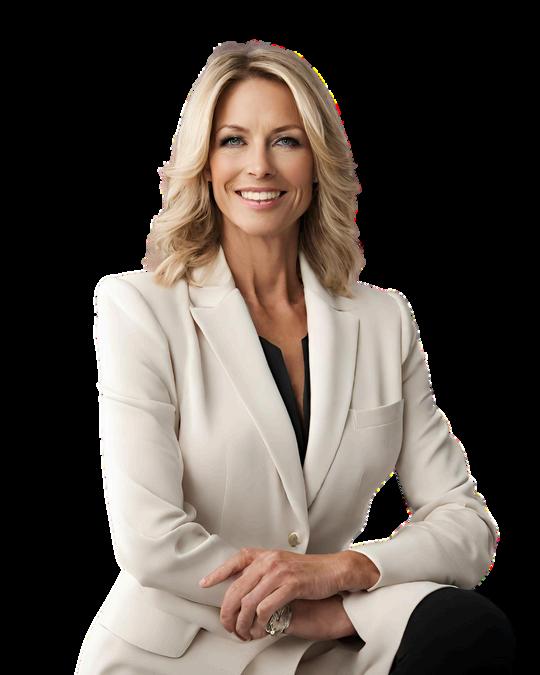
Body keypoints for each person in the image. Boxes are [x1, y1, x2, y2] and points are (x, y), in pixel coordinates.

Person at [75, 40, 516, 674]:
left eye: (286, 140)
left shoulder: (383, 319)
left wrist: (348, 571)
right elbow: (149, 539)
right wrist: (291, 609)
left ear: (316, 161)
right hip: (177, 654)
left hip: (323, 652)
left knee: (463, 628)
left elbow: (465, 521)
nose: (259, 166)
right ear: (204, 162)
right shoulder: (139, 307)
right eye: (233, 140)